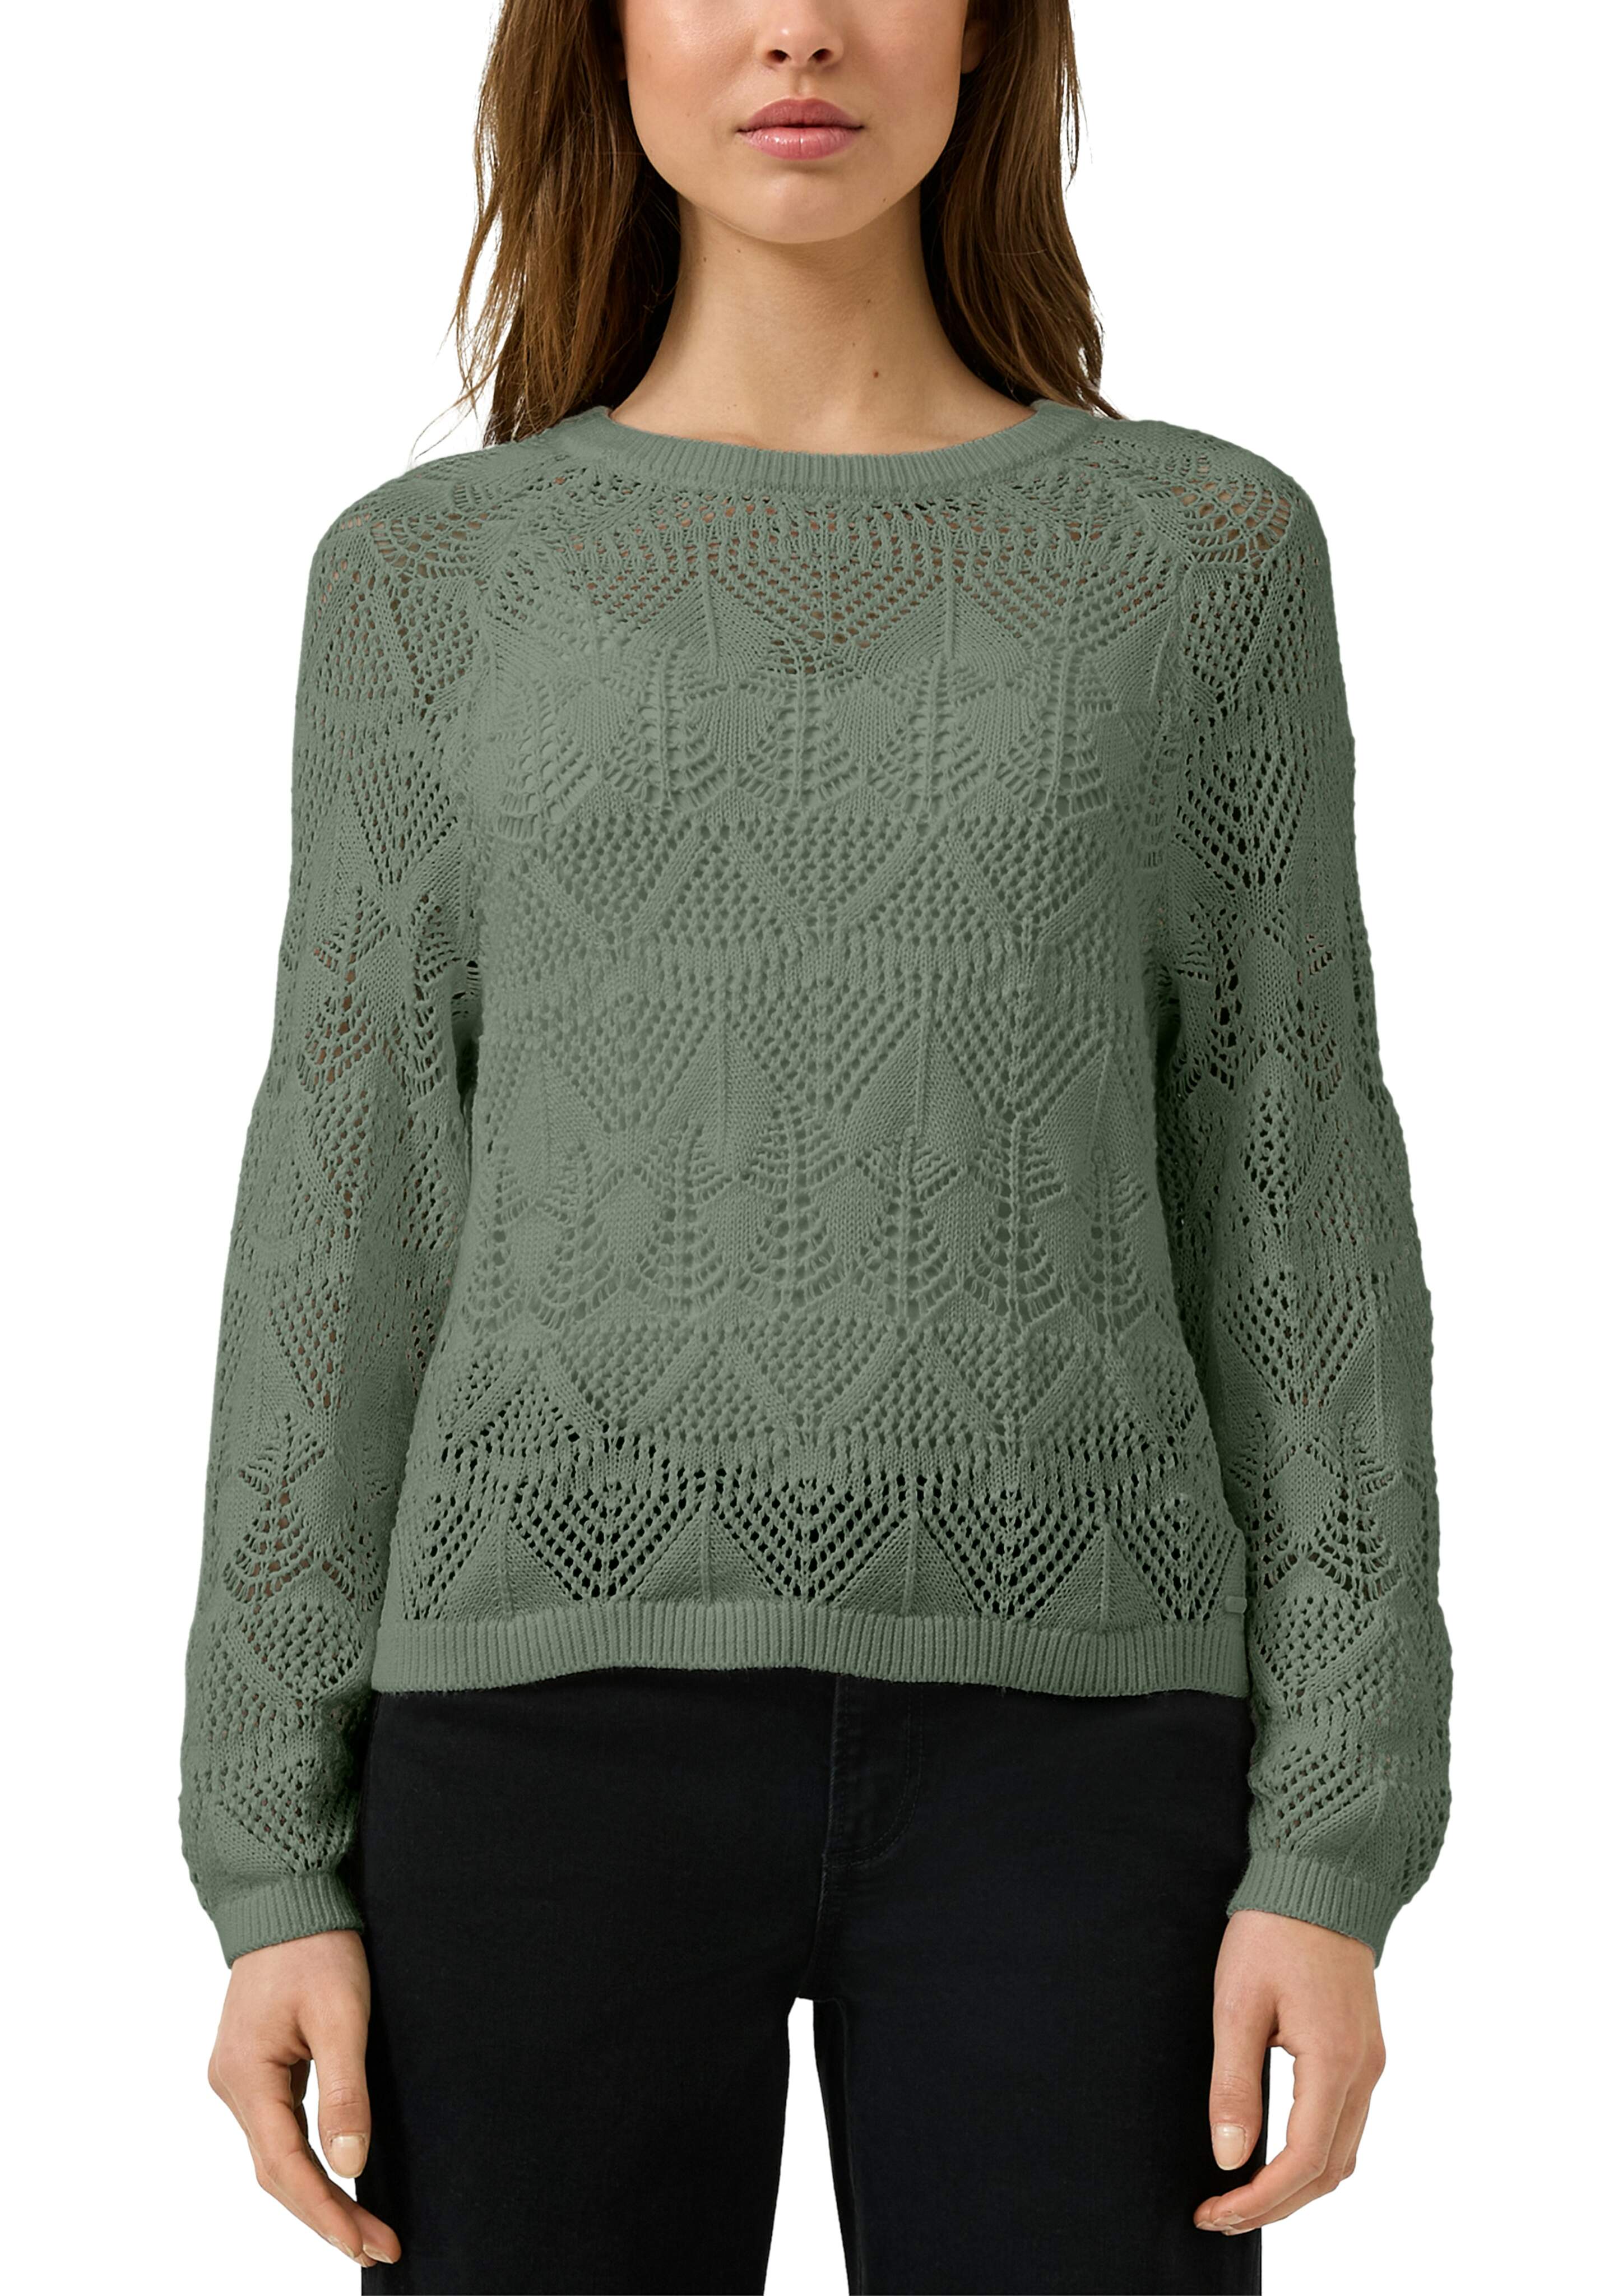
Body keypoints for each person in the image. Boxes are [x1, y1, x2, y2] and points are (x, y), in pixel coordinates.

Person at [178, 3, 1453, 2290]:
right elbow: (343, 1202)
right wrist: (269, 1860)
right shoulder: (430, 582)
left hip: (1081, 1751)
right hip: (529, 1734)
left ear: (990, 32)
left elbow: (1297, 1197)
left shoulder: (1201, 557)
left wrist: (1334, 1845)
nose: (796, 27)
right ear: (600, 37)